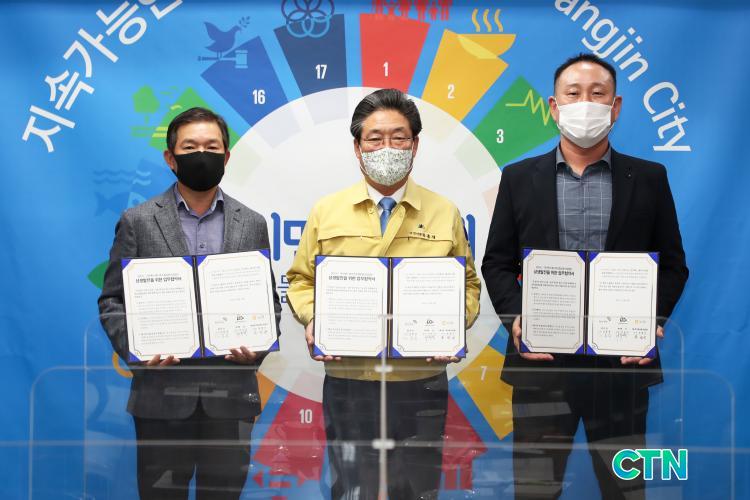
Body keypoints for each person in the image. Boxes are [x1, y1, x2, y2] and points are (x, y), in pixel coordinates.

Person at [481, 54, 688, 499]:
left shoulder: (649, 178)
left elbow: (674, 265)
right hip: (540, 366)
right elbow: (496, 262)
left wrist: (650, 322)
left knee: (626, 491)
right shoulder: (518, 178)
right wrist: (516, 319)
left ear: (616, 106)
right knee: (534, 492)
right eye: (573, 94)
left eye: (598, 94)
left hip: (621, 368)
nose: (585, 103)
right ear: (554, 107)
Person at [286, 88, 481, 499]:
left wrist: (452, 326)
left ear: (415, 145)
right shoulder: (327, 210)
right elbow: (301, 280)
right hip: (350, 378)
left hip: (420, 377)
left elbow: (468, 285)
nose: (387, 148)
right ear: (357, 147)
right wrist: (314, 318)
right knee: (351, 487)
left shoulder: (444, 211)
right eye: (374, 138)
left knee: (418, 487)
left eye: (399, 137)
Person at [98, 107, 281, 499]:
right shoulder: (137, 221)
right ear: (171, 158)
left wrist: (258, 347)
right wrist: (138, 349)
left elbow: (269, 303)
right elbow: (112, 300)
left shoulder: (252, 223)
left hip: (231, 396)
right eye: (190, 147)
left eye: (212, 147)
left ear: (227, 157)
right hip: (161, 396)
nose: (202, 155)